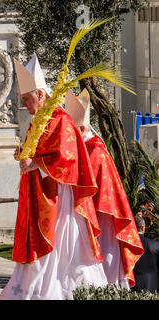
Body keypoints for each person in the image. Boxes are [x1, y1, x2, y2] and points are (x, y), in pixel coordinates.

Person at [0, 55, 108, 300]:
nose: (25, 105)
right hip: (39, 194)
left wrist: (34, 162)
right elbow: (36, 150)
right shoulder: (40, 120)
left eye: (27, 99)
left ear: (40, 94)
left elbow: (67, 158)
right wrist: (24, 153)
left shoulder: (62, 120)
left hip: (58, 200)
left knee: (61, 246)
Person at [64, 89, 144, 289]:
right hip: (90, 210)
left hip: (103, 213)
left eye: (72, 132)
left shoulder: (96, 150)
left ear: (81, 129)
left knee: (106, 253)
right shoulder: (86, 147)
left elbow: (86, 180)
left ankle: (109, 287)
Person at [132, 215, 159, 293]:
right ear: (143, 228)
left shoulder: (125, 246)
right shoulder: (155, 244)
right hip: (152, 287)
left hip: (131, 288)